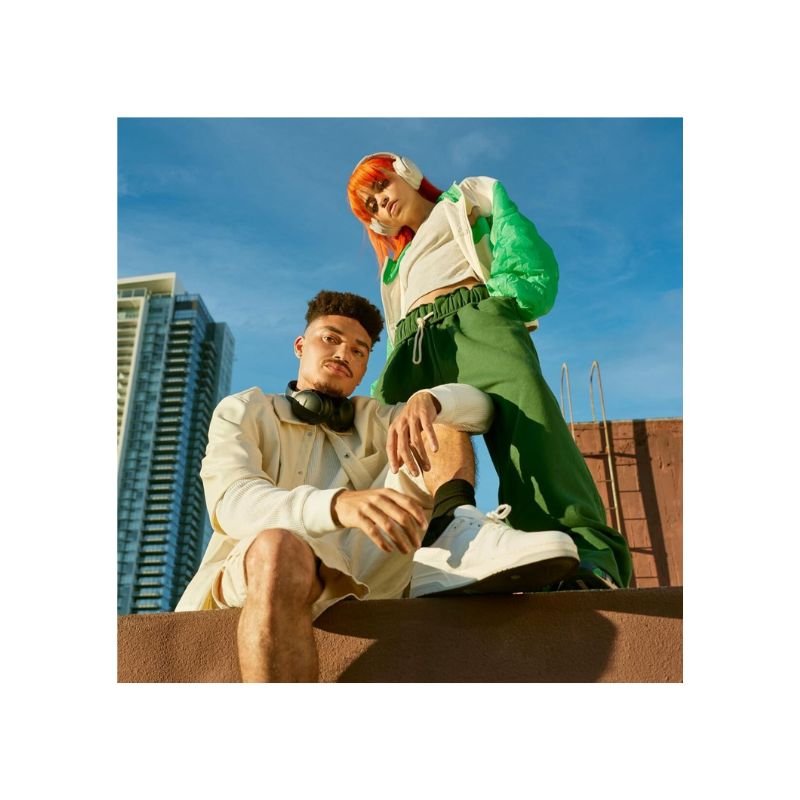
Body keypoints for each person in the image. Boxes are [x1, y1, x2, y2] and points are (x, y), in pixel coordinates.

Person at [176, 290, 580, 682]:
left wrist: (432, 399)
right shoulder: (245, 409)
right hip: (263, 570)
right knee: (278, 547)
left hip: (376, 573)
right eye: (330, 339)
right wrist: (338, 505)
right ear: (300, 346)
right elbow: (233, 501)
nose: (344, 354)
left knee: (432, 421)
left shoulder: (379, 418)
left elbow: (482, 410)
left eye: (359, 350)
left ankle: (456, 530)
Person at [346, 152, 632, 591]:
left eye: (381, 185)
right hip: (412, 346)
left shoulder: (466, 199)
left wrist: (503, 299)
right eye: (370, 204)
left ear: (406, 172)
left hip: (474, 319)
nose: (380, 202)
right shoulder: (393, 266)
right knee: (395, 451)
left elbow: (516, 239)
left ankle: (583, 557)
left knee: (530, 425)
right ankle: (413, 570)